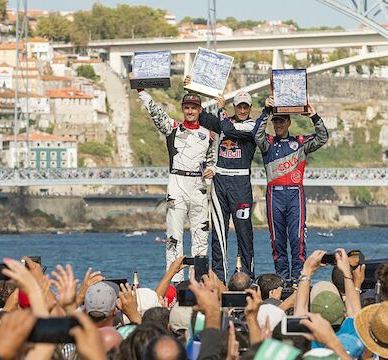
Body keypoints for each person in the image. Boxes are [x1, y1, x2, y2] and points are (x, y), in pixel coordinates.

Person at [136, 87, 215, 283]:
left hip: (198, 185)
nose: (190, 111)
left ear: (199, 110)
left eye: (193, 108)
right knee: (173, 237)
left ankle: (200, 279)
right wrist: (142, 91)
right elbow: (156, 112)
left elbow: (212, 160)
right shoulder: (172, 128)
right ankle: (175, 281)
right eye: (187, 107)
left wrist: (211, 169)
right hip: (177, 183)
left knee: (201, 235)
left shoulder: (209, 136)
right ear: (183, 109)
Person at [194, 86, 267, 282]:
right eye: (239, 107)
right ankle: (219, 278)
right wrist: (196, 88)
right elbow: (199, 116)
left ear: (250, 108)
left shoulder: (253, 127)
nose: (242, 111)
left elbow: (228, 129)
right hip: (220, 182)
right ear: (234, 107)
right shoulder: (222, 121)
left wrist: (221, 109)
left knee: (244, 233)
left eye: (246, 107)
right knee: (218, 234)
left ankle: (247, 278)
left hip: (241, 183)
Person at [254, 97, 328, 282]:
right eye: (275, 121)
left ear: (289, 122)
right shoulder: (267, 144)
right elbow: (256, 134)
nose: (278, 124)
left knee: (297, 240)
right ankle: (282, 279)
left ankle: (297, 278)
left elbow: (323, 137)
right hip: (274, 195)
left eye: (281, 121)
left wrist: (314, 116)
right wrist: (266, 111)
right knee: (277, 242)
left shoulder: (300, 143)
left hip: (295, 194)